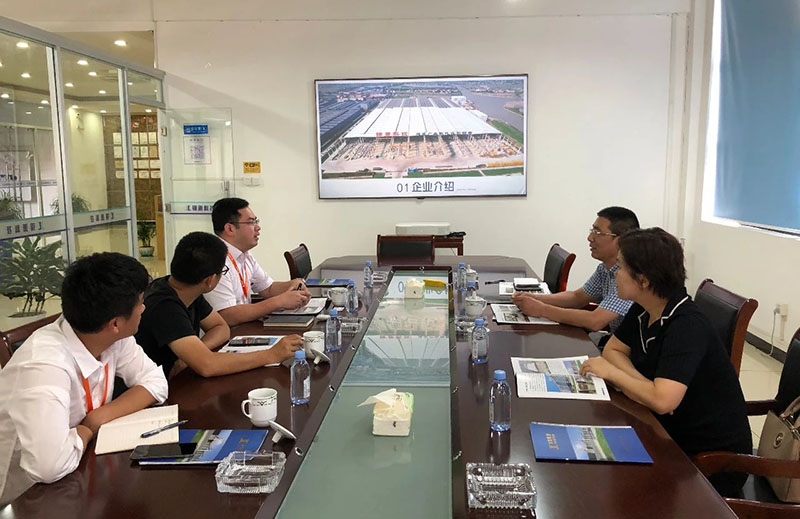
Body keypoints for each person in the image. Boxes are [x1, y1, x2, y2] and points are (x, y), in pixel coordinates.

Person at [579, 228, 751, 496]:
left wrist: (614, 375)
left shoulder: (686, 325)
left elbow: (662, 401)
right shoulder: (645, 306)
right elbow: (613, 350)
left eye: (621, 267)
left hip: (707, 459)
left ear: (643, 280)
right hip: (664, 429)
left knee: (598, 486)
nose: (615, 273)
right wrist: (643, 385)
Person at [0, 253, 168, 504]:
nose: (143, 308)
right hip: (22, 496)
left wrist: (97, 418)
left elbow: (156, 382)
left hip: (79, 471)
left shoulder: (110, 336)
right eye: (140, 302)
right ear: (115, 323)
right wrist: (88, 429)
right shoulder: (44, 365)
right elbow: (49, 466)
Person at [136, 231, 302, 378]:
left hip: (178, 379)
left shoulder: (185, 288)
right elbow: (208, 366)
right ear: (209, 280)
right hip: (160, 392)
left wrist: (192, 355)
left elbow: (220, 327)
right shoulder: (164, 305)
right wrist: (271, 355)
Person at [513, 206, 639, 336]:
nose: (590, 238)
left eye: (597, 232)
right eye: (592, 231)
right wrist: (534, 298)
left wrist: (542, 309)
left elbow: (595, 321)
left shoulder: (631, 276)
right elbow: (577, 297)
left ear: (620, 241)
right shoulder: (605, 269)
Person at [205, 197, 312, 326]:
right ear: (230, 229)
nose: (258, 227)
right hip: (229, 332)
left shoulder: (244, 254)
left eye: (256, 221)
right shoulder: (215, 260)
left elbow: (268, 288)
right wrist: (279, 301)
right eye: (251, 222)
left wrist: (294, 284)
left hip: (244, 326)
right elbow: (227, 316)